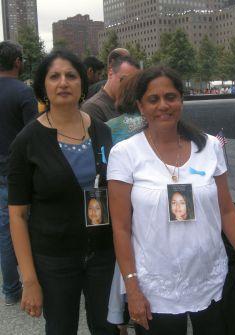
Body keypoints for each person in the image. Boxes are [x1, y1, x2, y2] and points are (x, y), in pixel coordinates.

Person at [107, 66, 235, 335]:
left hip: (211, 279)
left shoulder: (209, 147)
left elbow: (227, 210)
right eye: (153, 99)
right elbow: (121, 228)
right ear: (140, 106)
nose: (163, 105)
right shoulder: (125, 154)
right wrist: (132, 288)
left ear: (181, 100)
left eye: (171, 97)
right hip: (154, 285)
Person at [7, 50, 118, 335]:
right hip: (54, 259)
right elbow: (17, 215)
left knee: (106, 327)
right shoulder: (27, 141)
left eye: (71, 75)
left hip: (103, 253)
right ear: (43, 86)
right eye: (54, 76)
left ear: (82, 83)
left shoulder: (103, 132)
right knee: (61, 328)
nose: (63, 82)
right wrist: (29, 280)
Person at [0, 40, 38, 306]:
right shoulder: (24, 94)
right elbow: (34, 137)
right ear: (17, 63)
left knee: (4, 232)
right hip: (17, 172)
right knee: (25, 227)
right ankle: (31, 283)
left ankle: (11, 289)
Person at [82, 49, 139, 122]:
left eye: (133, 83)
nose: (128, 87)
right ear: (110, 72)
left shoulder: (130, 104)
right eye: (124, 80)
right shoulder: (92, 108)